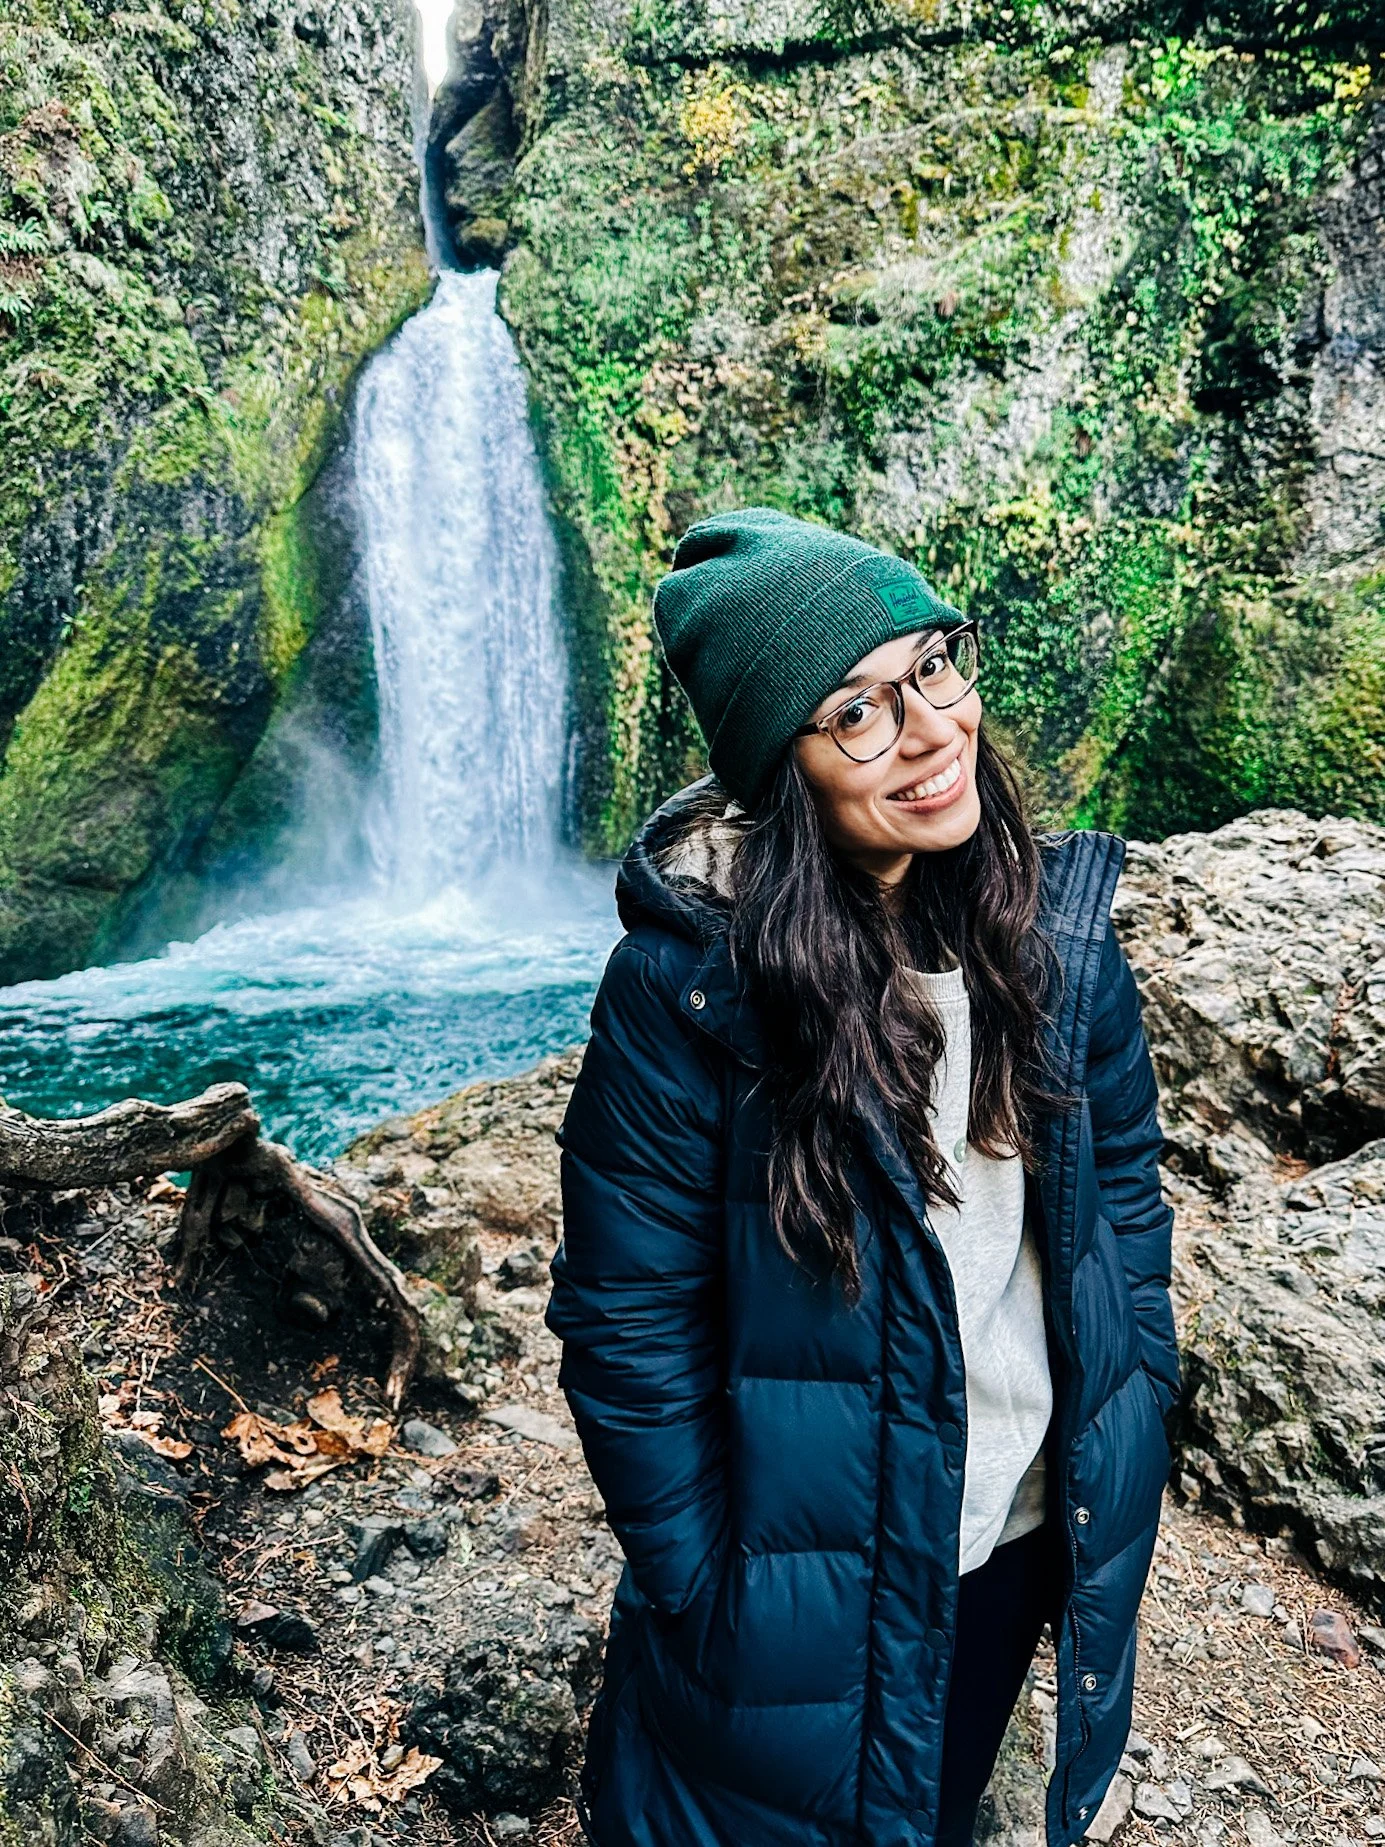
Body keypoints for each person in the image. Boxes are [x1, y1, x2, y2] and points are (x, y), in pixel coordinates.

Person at [545, 507, 1180, 1847]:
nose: (933, 728)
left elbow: (1123, 1199)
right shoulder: (692, 991)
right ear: (787, 763)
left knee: (934, 1805)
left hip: (1009, 1530)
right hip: (787, 1581)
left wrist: (1131, 1413)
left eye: (934, 667)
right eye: (859, 711)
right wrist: (702, 1579)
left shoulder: (1055, 938)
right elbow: (623, 1321)